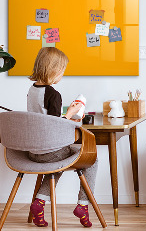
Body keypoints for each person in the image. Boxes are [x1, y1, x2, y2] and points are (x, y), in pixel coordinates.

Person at [27, 47, 97, 228]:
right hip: (50, 151)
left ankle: (39, 203)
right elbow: (55, 126)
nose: (62, 75)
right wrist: (72, 113)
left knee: (57, 162)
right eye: (62, 71)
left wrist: (67, 114)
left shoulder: (32, 90)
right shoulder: (53, 94)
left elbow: (44, 119)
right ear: (53, 70)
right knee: (92, 159)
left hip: (33, 151)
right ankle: (83, 205)